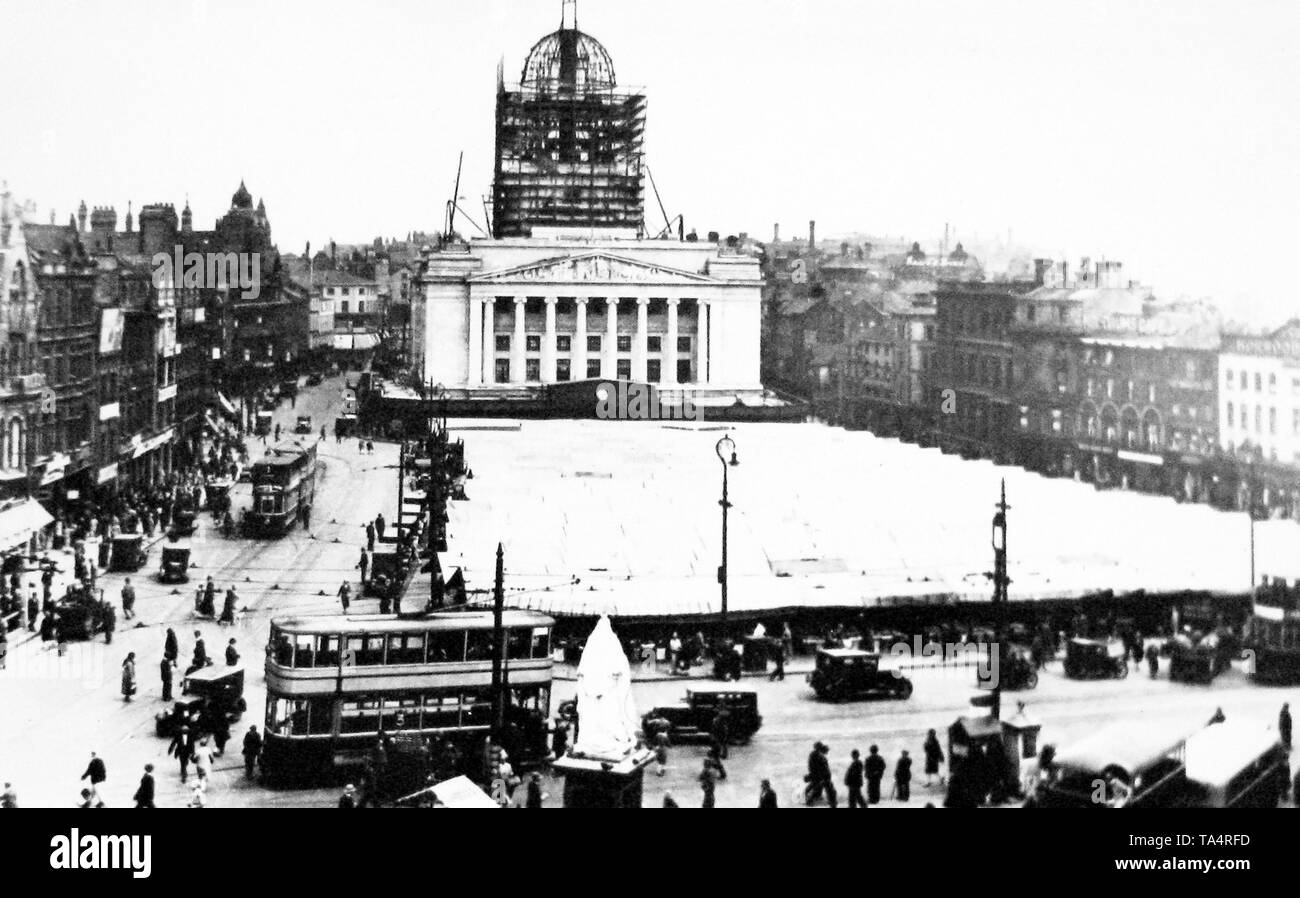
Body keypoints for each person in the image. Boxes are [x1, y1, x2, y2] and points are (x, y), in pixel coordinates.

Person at [806, 741, 837, 807]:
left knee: (819, 789)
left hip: (822, 776)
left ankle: (810, 800)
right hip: (821, 776)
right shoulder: (815, 755)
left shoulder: (816, 754)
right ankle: (832, 803)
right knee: (826, 790)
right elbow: (815, 767)